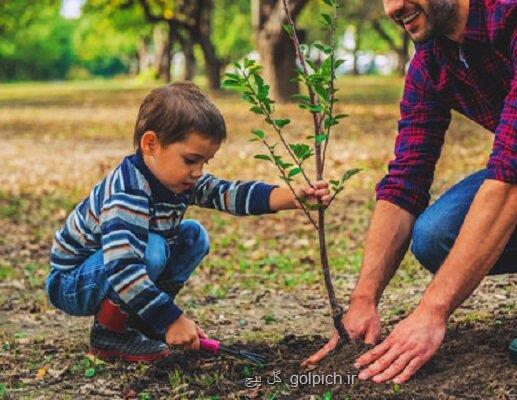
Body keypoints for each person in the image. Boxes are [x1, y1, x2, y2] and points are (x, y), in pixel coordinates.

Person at [305, 0, 517, 384]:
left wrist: (432, 312)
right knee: (437, 234)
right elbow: (405, 180)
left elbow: (514, 175)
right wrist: (363, 300)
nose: (392, 7)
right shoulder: (434, 59)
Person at [45, 81, 331, 362]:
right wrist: (171, 319)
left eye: (205, 162)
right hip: (72, 282)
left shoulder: (179, 180)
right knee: (153, 249)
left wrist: (292, 197)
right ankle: (110, 333)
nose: (198, 172)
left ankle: (141, 322)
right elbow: (122, 268)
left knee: (193, 236)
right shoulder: (128, 192)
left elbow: (228, 193)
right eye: (191, 160)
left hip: (113, 270)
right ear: (151, 144)